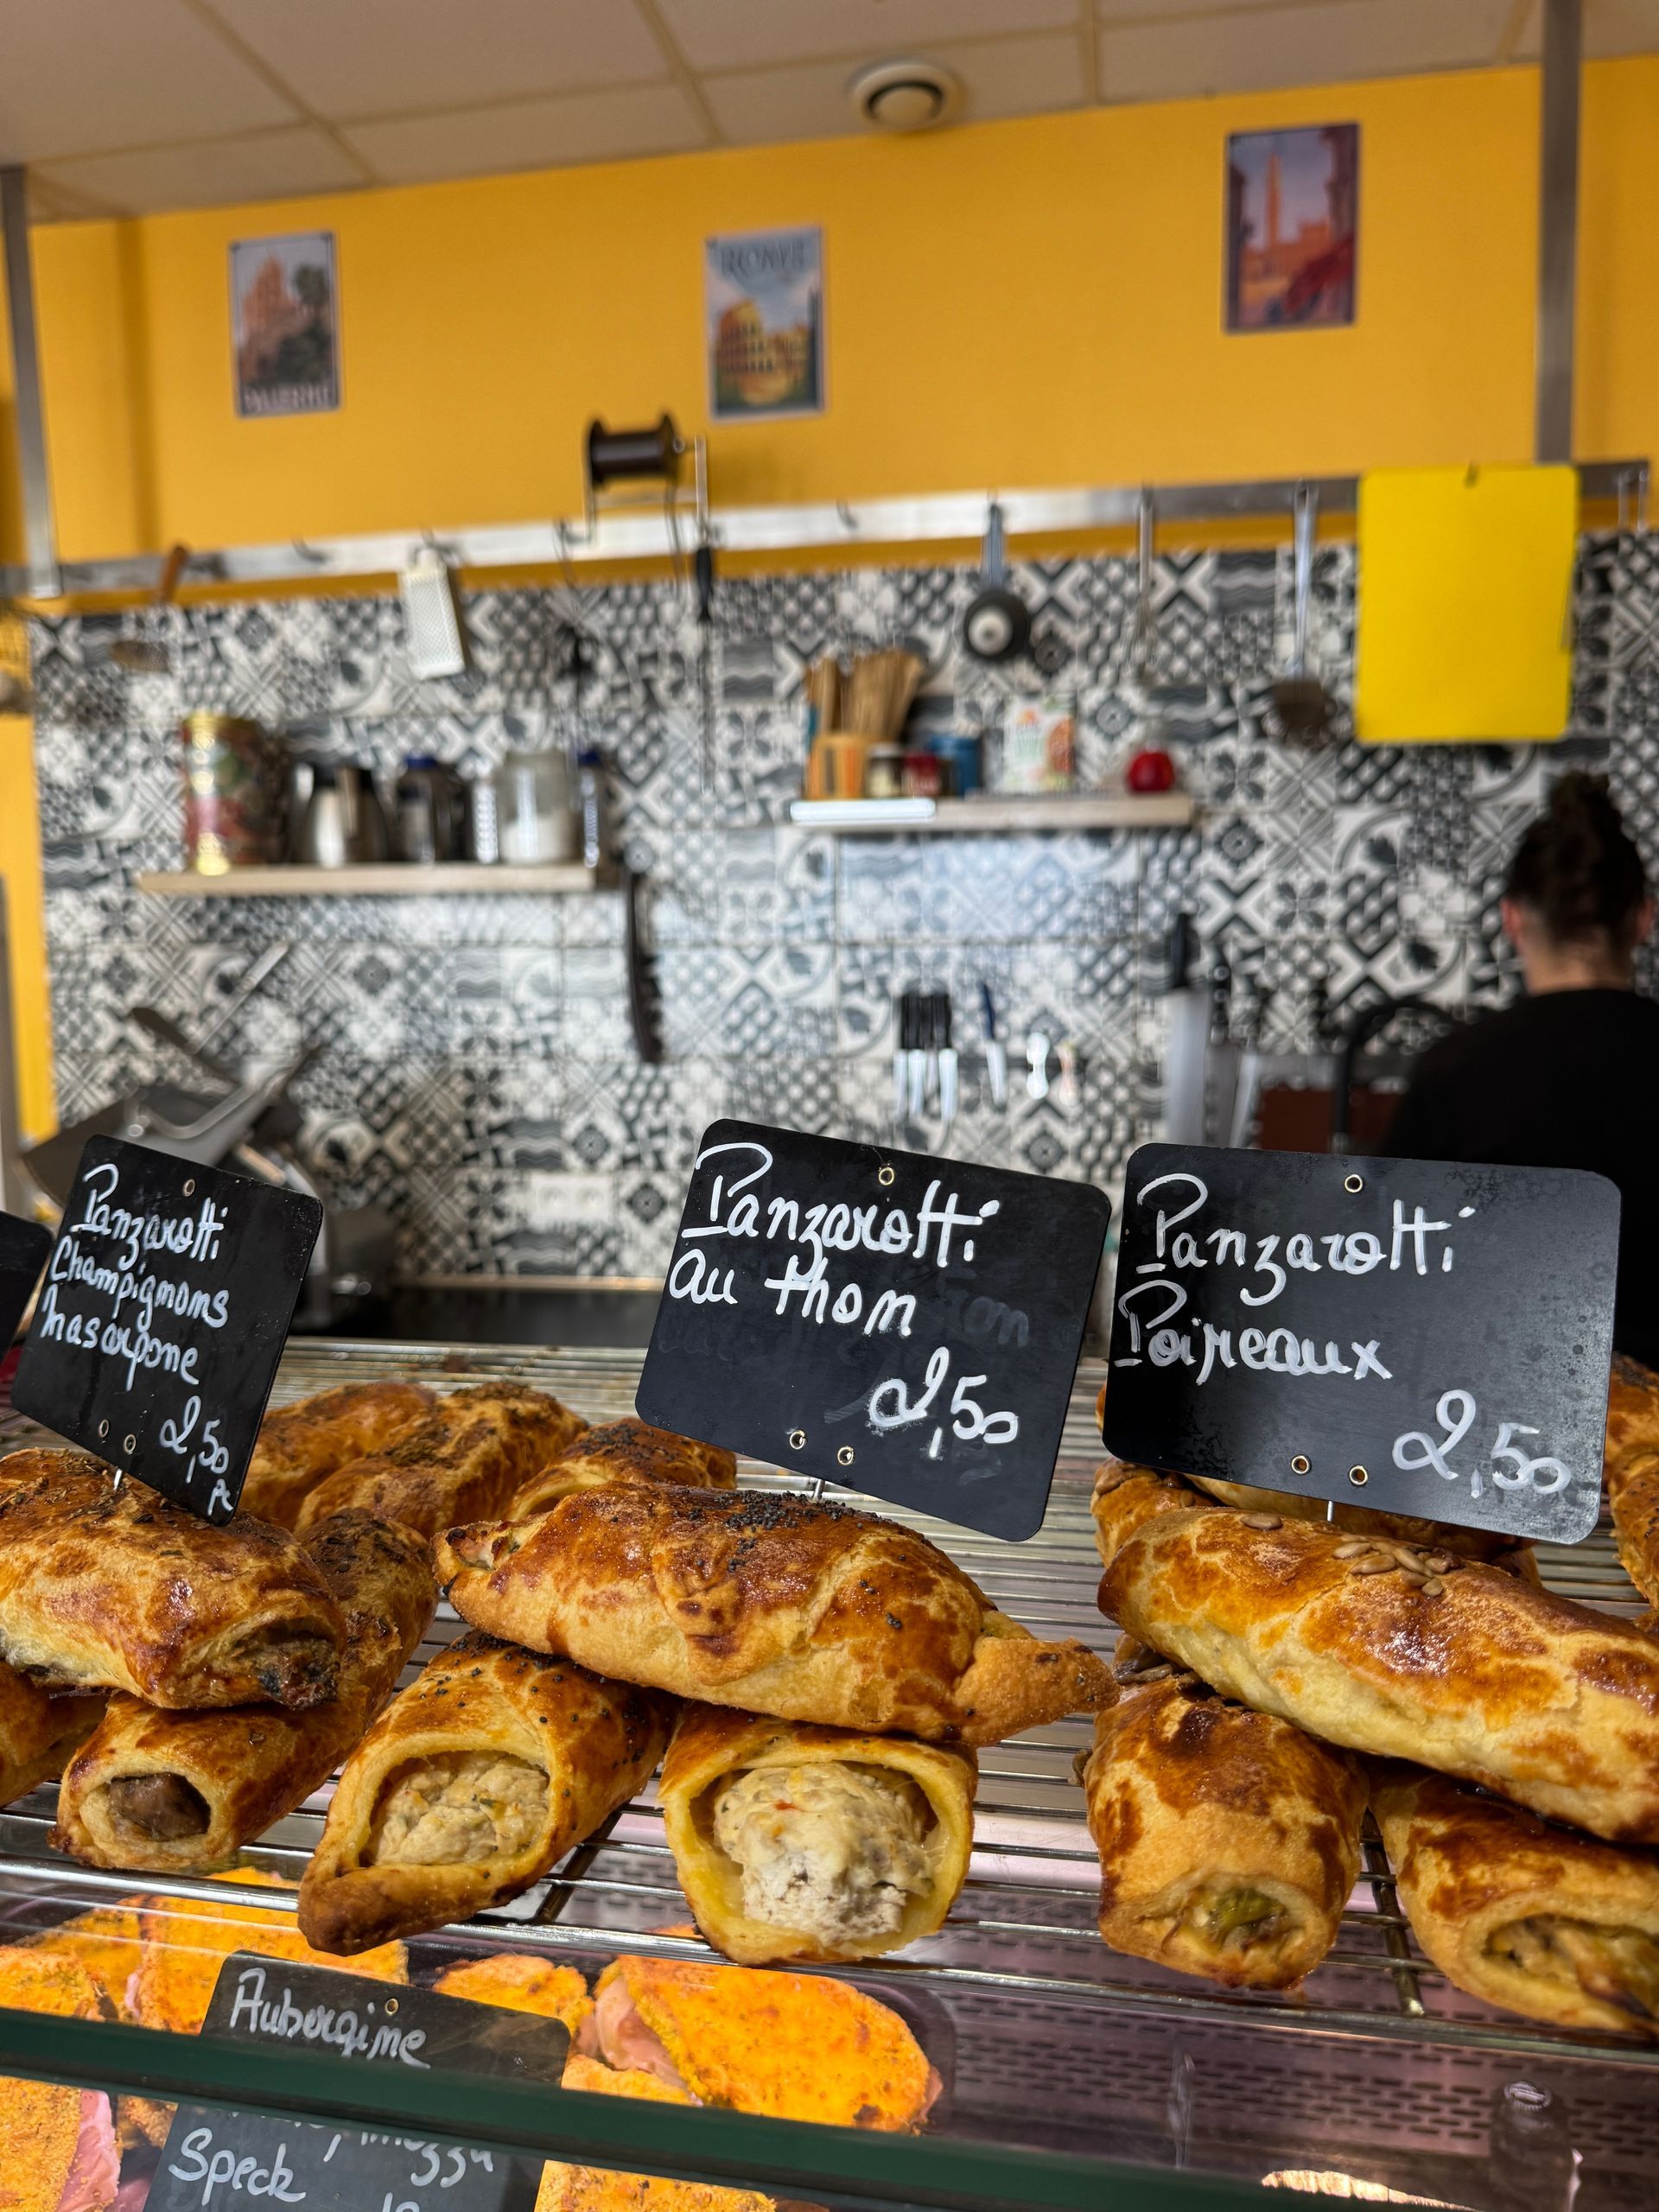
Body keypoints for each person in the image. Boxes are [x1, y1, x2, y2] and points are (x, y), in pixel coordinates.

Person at [1385, 772, 1659, 1364]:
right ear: (1643, 919)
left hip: (1493, 1422)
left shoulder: (1454, 1069)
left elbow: (1385, 1269)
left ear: (1512, 920)